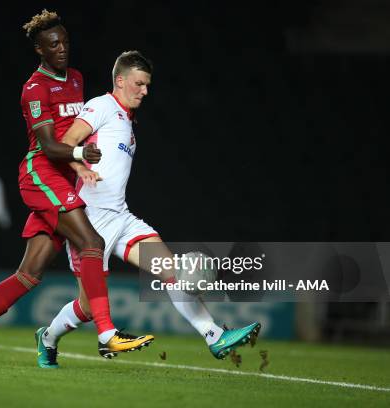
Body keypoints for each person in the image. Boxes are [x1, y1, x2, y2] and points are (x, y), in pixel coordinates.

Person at [0, 10, 153, 365]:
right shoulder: (34, 88)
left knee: (28, 275)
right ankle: (108, 335)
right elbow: (48, 146)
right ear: (39, 50)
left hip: (64, 181)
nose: (61, 48)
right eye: (53, 44)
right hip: (40, 174)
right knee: (92, 242)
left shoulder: (76, 79)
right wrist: (80, 152)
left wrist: (82, 162)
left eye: (65, 41)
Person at [34, 50, 261, 368]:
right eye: (139, 84)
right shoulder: (101, 106)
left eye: (147, 85)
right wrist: (80, 166)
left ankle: (214, 336)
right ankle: (47, 338)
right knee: (87, 308)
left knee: (174, 273)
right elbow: (68, 141)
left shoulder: (128, 122)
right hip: (87, 220)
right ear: (120, 81)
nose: (145, 91)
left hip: (121, 217)